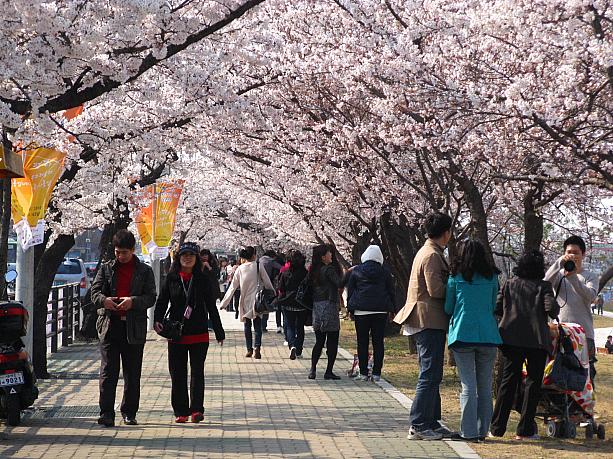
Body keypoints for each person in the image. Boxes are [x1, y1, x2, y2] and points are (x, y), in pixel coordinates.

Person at [393, 212, 454, 441]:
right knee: (429, 374)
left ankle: (431, 421)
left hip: (427, 319)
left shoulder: (428, 251)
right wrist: (457, 288)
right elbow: (435, 290)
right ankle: (419, 423)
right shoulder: (432, 255)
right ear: (446, 232)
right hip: (428, 319)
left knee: (432, 373)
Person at [491, 250, 560, 440]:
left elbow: (497, 307)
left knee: (508, 381)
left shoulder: (509, 284)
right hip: (537, 340)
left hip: (511, 338)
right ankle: (525, 430)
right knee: (533, 383)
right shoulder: (544, 286)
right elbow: (551, 309)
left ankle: (496, 428)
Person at [153, 242, 225, 423]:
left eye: (191, 255)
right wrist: (157, 321)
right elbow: (162, 301)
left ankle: (197, 410)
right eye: (184, 255)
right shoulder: (172, 278)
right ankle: (181, 411)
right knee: (177, 373)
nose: (187, 258)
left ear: (196, 258)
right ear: (178, 258)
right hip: (177, 333)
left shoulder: (203, 279)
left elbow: (211, 306)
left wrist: (218, 330)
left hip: (199, 332)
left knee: (197, 372)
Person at [91, 229, 156, 427]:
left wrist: (133, 301)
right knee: (108, 371)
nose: (120, 256)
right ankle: (106, 412)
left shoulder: (144, 271)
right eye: (117, 252)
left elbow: (151, 297)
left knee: (132, 372)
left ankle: (129, 412)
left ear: (133, 250)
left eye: (124, 252)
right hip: (109, 326)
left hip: (133, 327)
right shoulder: (106, 268)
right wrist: (105, 300)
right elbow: (94, 292)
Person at [444, 239, 501, 442]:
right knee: (485, 385)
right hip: (488, 334)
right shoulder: (493, 277)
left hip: (462, 335)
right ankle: (482, 430)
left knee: (468, 385)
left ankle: (468, 432)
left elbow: (448, 307)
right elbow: (494, 303)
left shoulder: (455, 277)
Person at [544, 235, 598, 384]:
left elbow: (591, 296)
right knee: (556, 370)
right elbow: (544, 283)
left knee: (585, 374)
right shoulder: (559, 274)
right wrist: (558, 263)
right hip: (560, 331)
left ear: (583, 254)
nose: (572, 255)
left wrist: (574, 277)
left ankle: (583, 406)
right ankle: (559, 406)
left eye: (576, 252)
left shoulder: (590, 276)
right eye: (569, 252)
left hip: (584, 333)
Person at [346, 245, 396, 382]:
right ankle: (376, 373)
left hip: (361, 311)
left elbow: (351, 291)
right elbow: (391, 291)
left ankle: (363, 372)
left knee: (362, 342)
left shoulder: (356, 271)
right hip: (380, 311)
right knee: (378, 342)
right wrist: (392, 309)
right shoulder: (385, 272)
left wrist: (350, 310)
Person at [220, 247, 275, 359]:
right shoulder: (259, 266)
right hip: (257, 301)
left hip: (245, 300)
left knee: (247, 325)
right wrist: (273, 293)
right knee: (258, 325)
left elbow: (232, 287)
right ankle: (257, 347)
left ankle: (249, 349)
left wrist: (224, 303)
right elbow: (267, 282)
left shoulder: (240, 269)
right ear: (254, 255)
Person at [309, 244, 347, 380]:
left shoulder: (313, 271)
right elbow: (339, 283)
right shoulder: (329, 269)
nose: (331, 255)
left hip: (317, 307)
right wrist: (348, 272)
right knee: (332, 340)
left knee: (319, 341)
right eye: (329, 253)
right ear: (323, 257)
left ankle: (312, 369)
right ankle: (328, 371)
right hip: (329, 306)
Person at [276, 250, 309, 360]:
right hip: (301, 304)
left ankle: (292, 345)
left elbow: (280, 288)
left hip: (288, 302)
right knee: (300, 327)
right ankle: (298, 350)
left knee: (290, 326)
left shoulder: (285, 273)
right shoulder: (305, 273)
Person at [259, 249, 283, 333]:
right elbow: (281, 268)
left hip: (259, 286)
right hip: (268, 286)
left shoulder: (259, 261)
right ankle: (264, 326)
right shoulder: (271, 261)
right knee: (266, 306)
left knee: (260, 304)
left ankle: (261, 326)